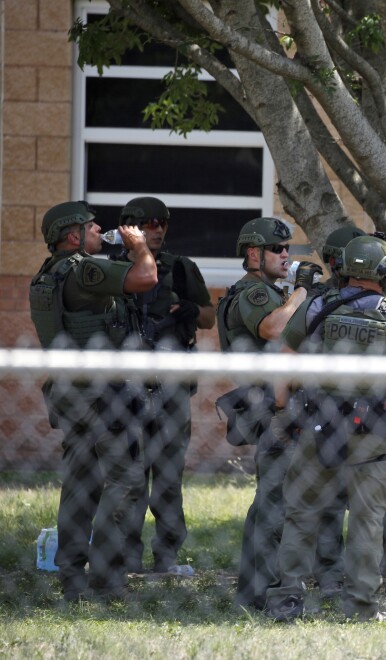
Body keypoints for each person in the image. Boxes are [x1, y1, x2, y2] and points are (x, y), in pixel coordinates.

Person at [266, 234, 386, 621]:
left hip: (317, 424)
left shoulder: (316, 305)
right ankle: (361, 606)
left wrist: (281, 410)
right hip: (374, 433)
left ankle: (287, 599)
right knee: (367, 519)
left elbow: (285, 360)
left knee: (301, 514)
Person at [29, 200, 157, 601]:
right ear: (73, 236)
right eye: (90, 226)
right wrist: (138, 246)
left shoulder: (46, 276)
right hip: (104, 394)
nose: (99, 228)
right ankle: (106, 578)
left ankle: (71, 574)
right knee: (125, 479)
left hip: (71, 391)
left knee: (80, 483)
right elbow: (146, 278)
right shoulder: (84, 268)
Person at [216, 216, 321, 610]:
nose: (284, 255)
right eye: (276, 249)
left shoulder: (271, 291)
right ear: (253, 253)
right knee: (276, 504)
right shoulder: (252, 293)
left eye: (287, 249)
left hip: (281, 405)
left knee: (269, 502)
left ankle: (254, 592)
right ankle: (268, 593)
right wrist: (302, 291)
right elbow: (276, 328)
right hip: (273, 408)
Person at [112, 197, 215, 574]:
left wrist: (191, 311)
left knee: (168, 478)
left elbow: (208, 318)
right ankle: (126, 558)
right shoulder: (110, 270)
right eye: (147, 223)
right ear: (128, 228)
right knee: (130, 476)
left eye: (162, 223)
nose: (156, 230)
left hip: (170, 387)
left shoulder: (181, 269)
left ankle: (167, 558)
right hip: (127, 387)